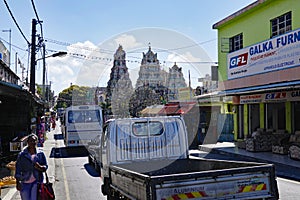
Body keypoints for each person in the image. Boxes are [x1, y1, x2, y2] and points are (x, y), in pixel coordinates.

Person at [15, 133, 48, 200]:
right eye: (31, 141)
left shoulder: (40, 153)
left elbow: (45, 166)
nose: (33, 142)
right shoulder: (22, 155)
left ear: (37, 142)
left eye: (34, 141)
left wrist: (40, 167)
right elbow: (18, 168)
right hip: (24, 182)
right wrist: (18, 182)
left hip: (37, 182)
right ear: (27, 142)